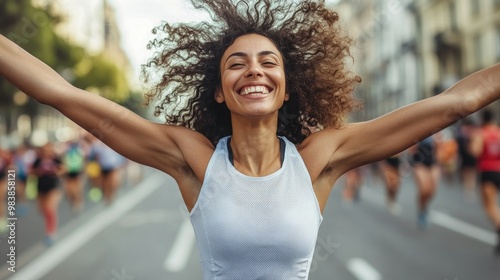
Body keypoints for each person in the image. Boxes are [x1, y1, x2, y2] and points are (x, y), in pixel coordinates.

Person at [1, 0, 500, 277]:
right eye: (236, 63)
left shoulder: (320, 158)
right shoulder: (192, 158)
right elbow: (61, 93)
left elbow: (456, 103)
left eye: (268, 62)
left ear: (287, 87)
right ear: (220, 91)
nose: (254, 71)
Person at [469, 109, 500, 255]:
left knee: (490, 206)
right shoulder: (498, 132)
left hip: (487, 172)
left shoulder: (481, 133)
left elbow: (475, 151)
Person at [31, 143, 64, 246]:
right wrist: (38, 172)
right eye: (44, 150)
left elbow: (63, 169)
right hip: (40, 188)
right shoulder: (38, 160)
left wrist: (57, 172)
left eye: (48, 149)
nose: (46, 152)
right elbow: (31, 171)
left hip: (53, 187)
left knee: (50, 209)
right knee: (42, 210)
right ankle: (49, 230)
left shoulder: (56, 159)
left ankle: (50, 233)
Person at [408, 136, 441, 229]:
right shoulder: (420, 130)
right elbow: (411, 148)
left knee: (432, 191)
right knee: (424, 189)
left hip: (433, 163)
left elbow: (441, 150)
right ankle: (422, 211)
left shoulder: (438, 131)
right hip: (420, 164)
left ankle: (425, 206)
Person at [456, 118, 478, 199]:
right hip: (465, 155)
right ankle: (467, 188)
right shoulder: (463, 131)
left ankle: (469, 189)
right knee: (466, 172)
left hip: (470, 154)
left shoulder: (471, 132)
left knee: (471, 172)